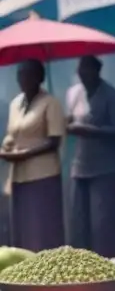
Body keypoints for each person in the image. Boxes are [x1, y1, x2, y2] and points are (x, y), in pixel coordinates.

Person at [66, 55, 115, 259]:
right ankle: (85, 266)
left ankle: (110, 264)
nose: (82, 75)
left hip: (106, 166)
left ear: (97, 71)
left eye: (87, 71)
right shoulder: (74, 94)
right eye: (80, 71)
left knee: (104, 222)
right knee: (79, 221)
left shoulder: (111, 95)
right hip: (80, 165)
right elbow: (69, 120)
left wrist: (90, 130)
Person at [0, 60, 66, 251]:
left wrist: (26, 154)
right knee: (23, 225)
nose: (24, 79)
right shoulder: (15, 103)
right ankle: (29, 270)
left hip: (43, 174)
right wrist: (7, 147)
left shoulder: (50, 103)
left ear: (40, 78)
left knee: (42, 225)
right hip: (19, 175)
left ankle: (51, 269)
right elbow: (12, 134)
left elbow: (54, 142)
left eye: (29, 74)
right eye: (20, 75)